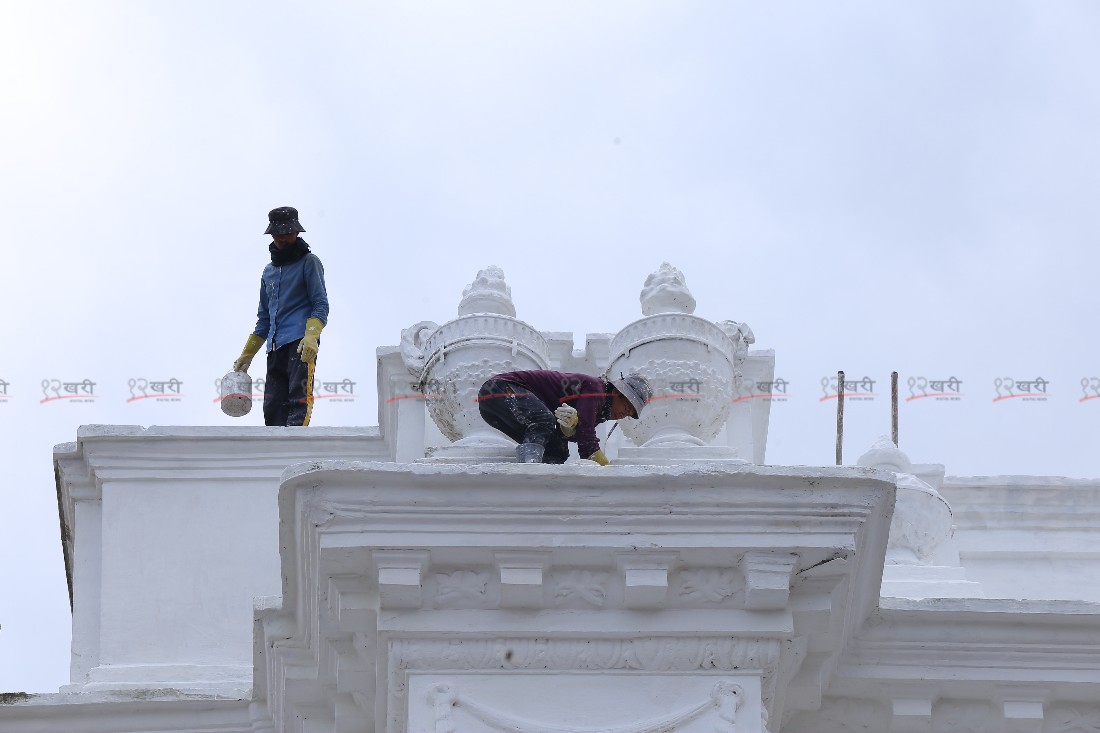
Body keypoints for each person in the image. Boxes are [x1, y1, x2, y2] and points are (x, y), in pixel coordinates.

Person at [231, 206, 330, 426]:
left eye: (287, 233)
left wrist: (311, 336)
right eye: (279, 234)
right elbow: (264, 319)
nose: (283, 238)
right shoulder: (268, 272)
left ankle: (295, 446)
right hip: (274, 348)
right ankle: (275, 453)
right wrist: (247, 355)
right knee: (272, 406)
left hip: (300, 343)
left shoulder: (309, 262)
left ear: (296, 233)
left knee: (298, 398)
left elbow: (320, 303)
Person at [478, 370, 652, 464]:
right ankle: (529, 467)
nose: (624, 414)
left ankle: (544, 482)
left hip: (492, 410)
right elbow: (587, 439)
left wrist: (568, 430)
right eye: (627, 407)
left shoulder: (600, 411)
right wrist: (605, 469)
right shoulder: (595, 389)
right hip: (501, 389)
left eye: (629, 414)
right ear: (616, 392)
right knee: (544, 420)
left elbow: (576, 433)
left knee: (558, 450)